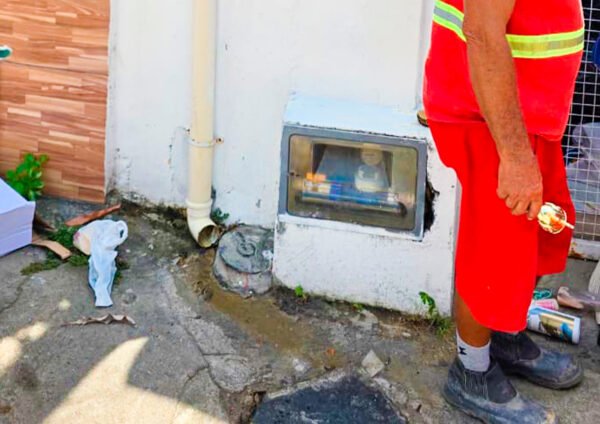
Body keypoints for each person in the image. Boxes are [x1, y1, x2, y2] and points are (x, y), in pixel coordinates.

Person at [423, 0, 585, 422]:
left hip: (525, 112)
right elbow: (482, 34)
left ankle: (503, 336)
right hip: (490, 120)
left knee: (534, 237)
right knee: (493, 252)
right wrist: (514, 157)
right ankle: (472, 372)